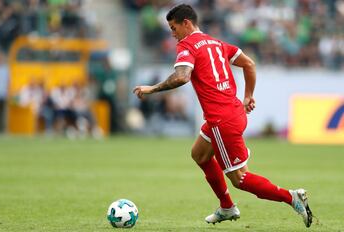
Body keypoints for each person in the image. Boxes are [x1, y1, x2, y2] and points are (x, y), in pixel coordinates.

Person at [133, 4, 313, 228]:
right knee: (199, 154)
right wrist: (248, 96)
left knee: (240, 179)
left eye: (173, 27)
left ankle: (292, 197)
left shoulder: (187, 46)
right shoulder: (216, 43)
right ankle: (227, 206)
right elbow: (249, 63)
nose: (172, 33)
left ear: (186, 23)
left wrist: (152, 89)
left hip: (222, 120)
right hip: (233, 111)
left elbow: (182, 77)